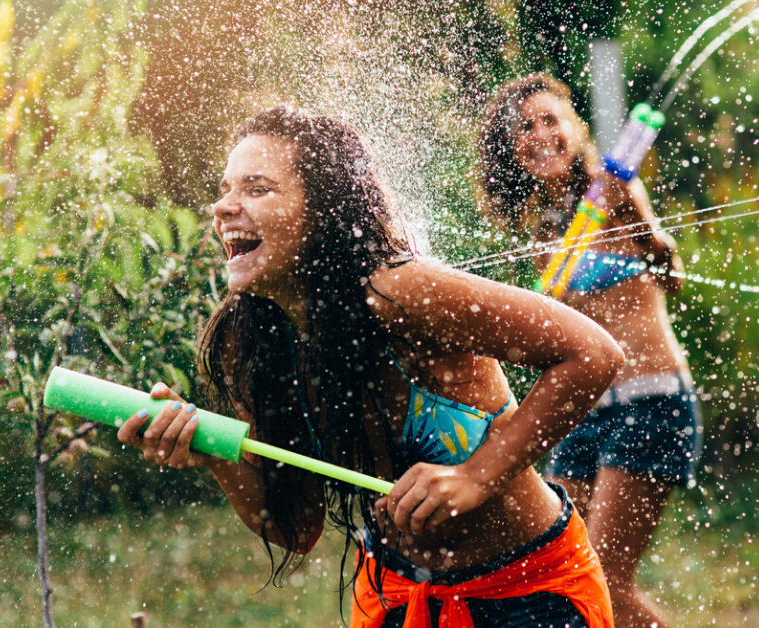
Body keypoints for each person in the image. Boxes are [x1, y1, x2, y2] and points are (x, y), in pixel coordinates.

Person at [116, 106, 627, 628]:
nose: (223, 207)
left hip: (526, 593)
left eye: (257, 188)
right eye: (226, 189)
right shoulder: (253, 342)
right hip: (397, 598)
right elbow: (296, 526)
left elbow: (593, 353)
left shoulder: (396, 293)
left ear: (324, 209)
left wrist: (476, 476)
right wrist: (212, 454)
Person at [477, 74, 702, 628]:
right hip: (583, 414)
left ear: (574, 128)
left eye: (550, 119)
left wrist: (643, 231)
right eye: (524, 128)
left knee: (602, 580)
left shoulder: (614, 189)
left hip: (651, 400)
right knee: (561, 572)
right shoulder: (536, 226)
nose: (540, 133)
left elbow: (670, 274)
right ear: (512, 151)